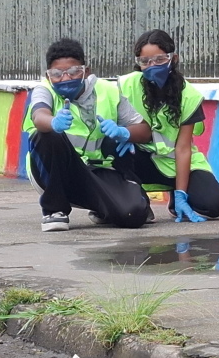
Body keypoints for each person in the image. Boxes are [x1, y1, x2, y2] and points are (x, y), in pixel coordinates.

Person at [23, 38, 155, 232]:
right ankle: (54, 210)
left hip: (100, 170)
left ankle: (107, 207)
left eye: (74, 72)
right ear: (48, 75)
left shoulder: (108, 91)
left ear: (86, 71)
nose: (66, 78)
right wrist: (53, 122)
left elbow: (144, 131)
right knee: (47, 135)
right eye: (57, 74)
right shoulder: (45, 90)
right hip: (59, 173)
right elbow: (38, 115)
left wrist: (124, 132)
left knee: (133, 216)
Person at [118, 29, 219, 222]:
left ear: (173, 58)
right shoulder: (125, 85)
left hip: (173, 163)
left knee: (216, 203)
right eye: (145, 62)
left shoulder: (189, 96)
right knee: (112, 149)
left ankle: (174, 198)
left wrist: (181, 193)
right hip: (138, 157)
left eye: (159, 59)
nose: (152, 66)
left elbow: (183, 149)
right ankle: (134, 201)